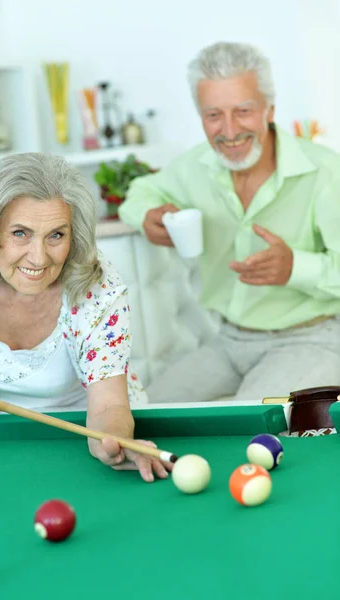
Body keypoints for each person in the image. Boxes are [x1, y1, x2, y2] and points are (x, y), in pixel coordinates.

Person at [118, 41, 340, 405]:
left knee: (250, 428)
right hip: (228, 341)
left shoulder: (326, 172)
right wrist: (148, 216)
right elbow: (141, 191)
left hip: (311, 337)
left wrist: (295, 267)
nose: (230, 130)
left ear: (269, 109)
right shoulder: (197, 165)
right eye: (213, 115)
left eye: (243, 111)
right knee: (142, 413)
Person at [0, 152, 172, 482]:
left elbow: (108, 407)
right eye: (20, 233)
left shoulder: (98, 287)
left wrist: (112, 441)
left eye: (56, 235)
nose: (38, 257)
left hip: (78, 430)